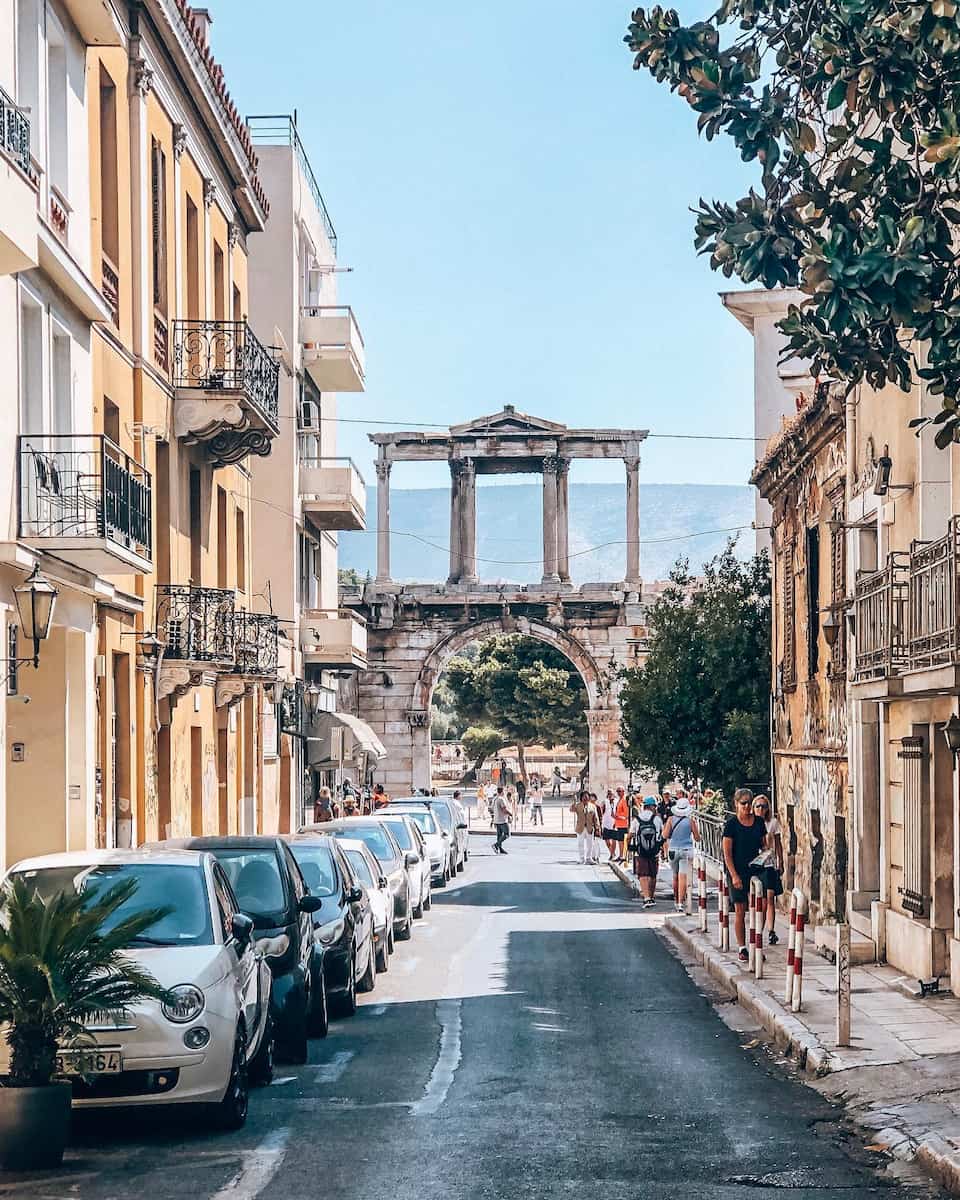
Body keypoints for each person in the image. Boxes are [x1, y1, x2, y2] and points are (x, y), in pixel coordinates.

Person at [722, 787, 768, 963]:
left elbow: (763, 844)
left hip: (755, 869)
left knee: (760, 907)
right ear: (736, 804)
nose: (747, 807)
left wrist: (766, 853)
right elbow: (727, 853)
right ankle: (742, 948)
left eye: (750, 803)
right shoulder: (731, 825)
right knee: (741, 909)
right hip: (737, 869)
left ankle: (756, 942)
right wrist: (734, 875)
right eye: (744, 803)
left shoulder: (758, 822)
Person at [753, 794, 784, 944]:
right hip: (757, 865)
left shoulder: (772, 823)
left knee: (771, 897)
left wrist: (781, 861)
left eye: (764, 806)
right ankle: (760, 929)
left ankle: (771, 931)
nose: (761, 809)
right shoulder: (750, 824)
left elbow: (778, 844)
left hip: (770, 864)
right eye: (758, 806)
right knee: (763, 901)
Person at [664, 795, 698, 913]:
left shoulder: (670, 820)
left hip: (673, 849)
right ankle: (680, 903)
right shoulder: (690, 821)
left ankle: (675, 899)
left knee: (675, 875)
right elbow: (697, 838)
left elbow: (664, 835)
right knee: (683, 876)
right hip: (686, 850)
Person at [631, 797, 664, 908]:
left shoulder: (636, 819)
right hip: (654, 851)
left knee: (643, 874)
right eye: (654, 806)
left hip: (641, 851)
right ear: (651, 807)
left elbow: (631, 834)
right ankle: (652, 896)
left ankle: (646, 898)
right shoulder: (657, 819)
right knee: (653, 874)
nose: (655, 808)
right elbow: (662, 834)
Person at [571, 790, 601, 864]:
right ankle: (582, 858)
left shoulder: (592, 806)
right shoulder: (578, 805)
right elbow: (572, 810)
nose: (586, 799)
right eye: (584, 797)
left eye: (587, 797)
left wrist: (597, 828)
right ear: (581, 798)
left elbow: (595, 818)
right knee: (580, 843)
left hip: (589, 828)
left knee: (590, 844)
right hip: (580, 828)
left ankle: (588, 858)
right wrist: (574, 802)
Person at [613, 786, 630, 863]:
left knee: (623, 841)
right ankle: (620, 855)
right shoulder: (619, 800)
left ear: (623, 791)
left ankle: (623, 856)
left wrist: (617, 816)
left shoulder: (624, 800)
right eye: (617, 791)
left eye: (620, 791)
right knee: (619, 840)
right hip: (619, 824)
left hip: (623, 824)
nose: (618, 793)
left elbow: (626, 814)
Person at [492, 786, 512, 854]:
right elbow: (504, 809)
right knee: (507, 834)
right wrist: (510, 814)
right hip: (502, 820)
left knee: (499, 835)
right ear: (502, 791)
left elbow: (491, 809)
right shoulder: (501, 799)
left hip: (496, 819)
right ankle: (496, 845)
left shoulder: (494, 799)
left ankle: (500, 848)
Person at [601, 789, 617, 861]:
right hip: (606, 824)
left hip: (614, 823)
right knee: (607, 840)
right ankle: (612, 853)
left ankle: (612, 854)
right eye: (609, 793)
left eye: (611, 793)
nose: (610, 795)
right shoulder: (605, 802)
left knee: (614, 840)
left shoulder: (617, 801)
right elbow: (602, 812)